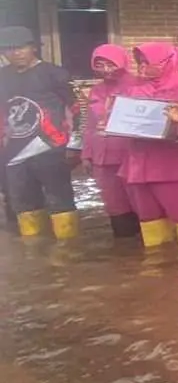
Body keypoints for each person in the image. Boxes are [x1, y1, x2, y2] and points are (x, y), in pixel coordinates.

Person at [122, 41, 178, 249]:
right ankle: (157, 266)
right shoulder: (133, 90)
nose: (142, 66)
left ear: (166, 62)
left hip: (173, 168)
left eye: (147, 61)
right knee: (150, 227)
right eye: (140, 61)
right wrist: (110, 122)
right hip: (139, 167)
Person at [0, 25, 79, 240]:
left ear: (33, 47)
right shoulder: (3, 77)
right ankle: (34, 249)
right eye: (8, 49)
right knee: (23, 204)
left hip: (50, 147)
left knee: (60, 200)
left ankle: (68, 249)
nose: (15, 53)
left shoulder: (54, 74)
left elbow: (76, 108)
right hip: (14, 152)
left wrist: (75, 146)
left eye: (21, 47)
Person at [81, 43, 142, 240]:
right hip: (103, 158)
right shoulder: (96, 90)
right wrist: (86, 154)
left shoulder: (138, 86)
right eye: (100, 65)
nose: (106, 70)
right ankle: (123, 248)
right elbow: (90, 125)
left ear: (122, 62)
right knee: (115, 206)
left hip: (130, 155)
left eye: (111, 64)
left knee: (141, 204)